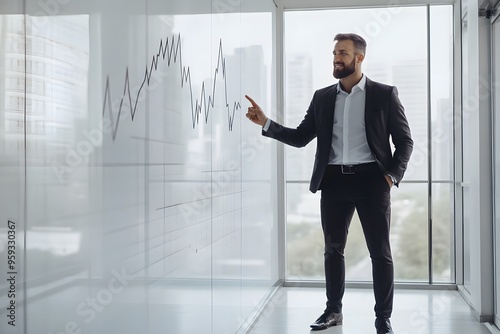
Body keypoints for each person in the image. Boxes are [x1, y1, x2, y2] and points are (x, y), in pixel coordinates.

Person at [245, 33, 413, 334]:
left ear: (359, 58)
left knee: (380, 252)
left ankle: (382, 318)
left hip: (373, 182)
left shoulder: (383, 94)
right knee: (333, 251)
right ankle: (333, 311)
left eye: (343, 53)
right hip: (334, 182)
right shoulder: (323, 97)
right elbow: (300, 137)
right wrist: (266, 123)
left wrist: (391, 177)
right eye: (335, 53)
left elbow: (404, 141)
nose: (337, 58)